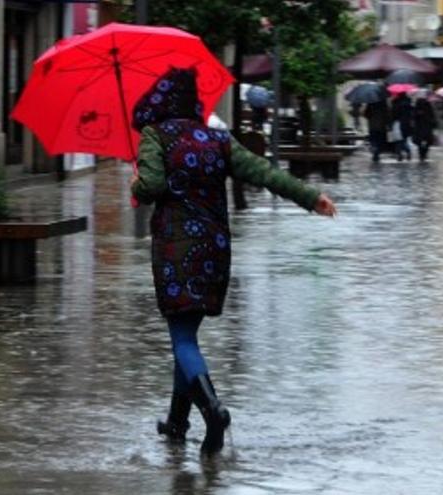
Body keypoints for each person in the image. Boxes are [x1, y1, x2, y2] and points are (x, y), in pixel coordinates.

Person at [129, 68, 337, 455]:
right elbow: (264, 172)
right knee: (188, 334)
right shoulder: (218, 139)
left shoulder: (155, 136)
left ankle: (213, 410)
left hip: (176, 249)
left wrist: (137, 183)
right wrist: (311, 198)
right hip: (215, 249)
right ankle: (177, 422)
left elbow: (152, 186)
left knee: (182, 338)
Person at [411, 96, 437, 162]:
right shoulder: (420, 106)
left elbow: (432, 116)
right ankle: (422, 153)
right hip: (421, 126)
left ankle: (423, 153)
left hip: (424, 126)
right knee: (423, 141)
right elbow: (414, 116)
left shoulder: (426, 106)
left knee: (426, 140)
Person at [390, 92, 413, 161]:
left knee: (398, 140)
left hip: (398, 123)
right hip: (406, 123)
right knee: (404, 139)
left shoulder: (396, 103)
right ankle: (407, 151)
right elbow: (411, 114)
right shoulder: (408, 103)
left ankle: (400, 154)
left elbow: (394, 114)